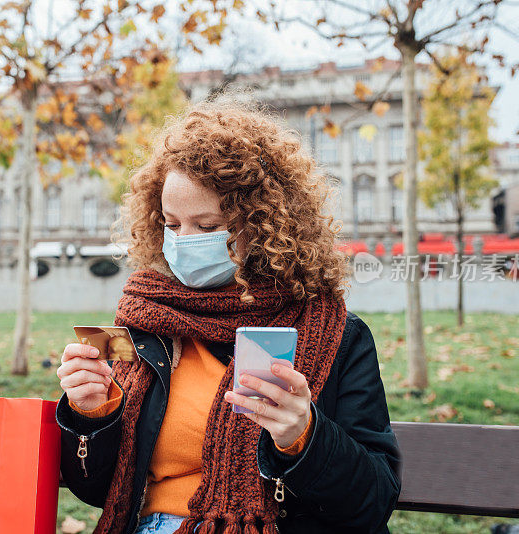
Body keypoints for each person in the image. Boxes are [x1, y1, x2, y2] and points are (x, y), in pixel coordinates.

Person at [55, 100, 401, 534]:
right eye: (172, 224)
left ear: (262, 225)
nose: (183, 241)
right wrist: (91, 414)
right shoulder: (146, 324)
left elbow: (373, 501)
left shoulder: (336, 335)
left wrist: (303, 436)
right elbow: (97, 490)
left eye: (207, 225)